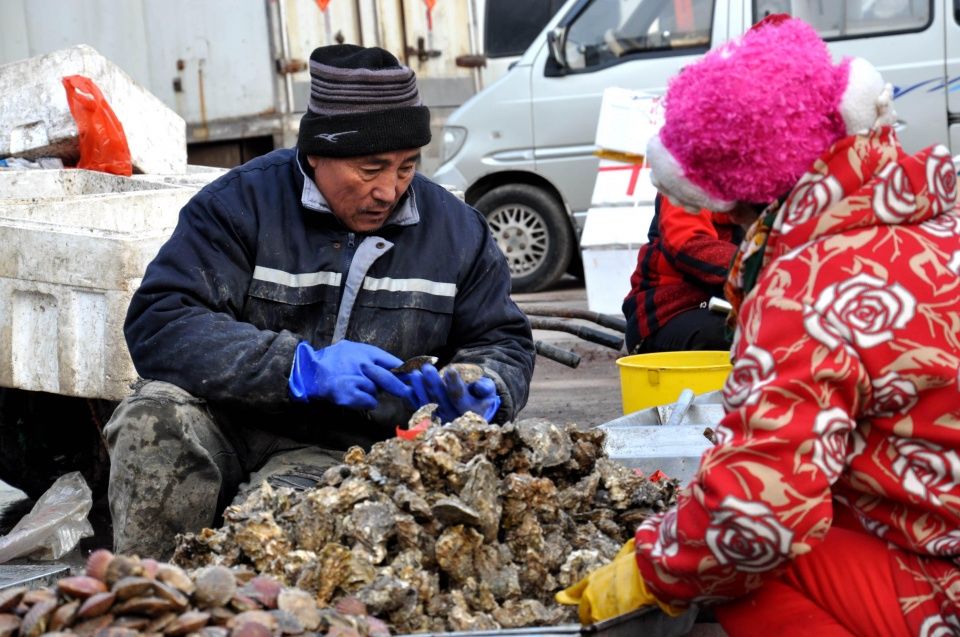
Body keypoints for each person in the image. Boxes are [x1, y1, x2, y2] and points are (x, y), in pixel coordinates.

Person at [559, 15, 960, 636]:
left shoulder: (807, 284)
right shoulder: (939, 223)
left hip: (941, 582)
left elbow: (760, 516)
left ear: (750, 197)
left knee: (750, 571)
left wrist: (653, 568)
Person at [104, 44, 535, 559]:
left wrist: (484, 387)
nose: (389, 190)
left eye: (406, 167)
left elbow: (502, 341)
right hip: (228, 421)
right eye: (371, 169)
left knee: (276, 546)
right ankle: (145, 597)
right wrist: (298, 368)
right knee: (152, 419)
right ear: (315, 154)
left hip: (343, 445)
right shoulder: (240, 205)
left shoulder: (456, 231)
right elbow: (160, 321)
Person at [622, 193, 743, 353]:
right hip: (668, 311)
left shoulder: (771, 187)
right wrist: (752, 263)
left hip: (721, 304)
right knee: (738, 336)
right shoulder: (686, 178)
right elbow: (687, 242)